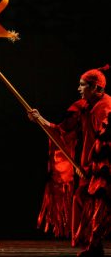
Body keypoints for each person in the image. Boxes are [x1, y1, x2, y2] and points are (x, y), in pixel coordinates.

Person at [28, 64, 111, 257]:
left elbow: (106, 143)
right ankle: (93, 246)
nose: (79, 89)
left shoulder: (105, 108)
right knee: (81, 198)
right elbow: (63, 131)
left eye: (83, 85)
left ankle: (94, 246)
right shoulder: (85, 107)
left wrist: (96, 169)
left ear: (96, 88)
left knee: (97, 205)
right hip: (90, 168)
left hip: (103, 169)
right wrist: (40, 120)